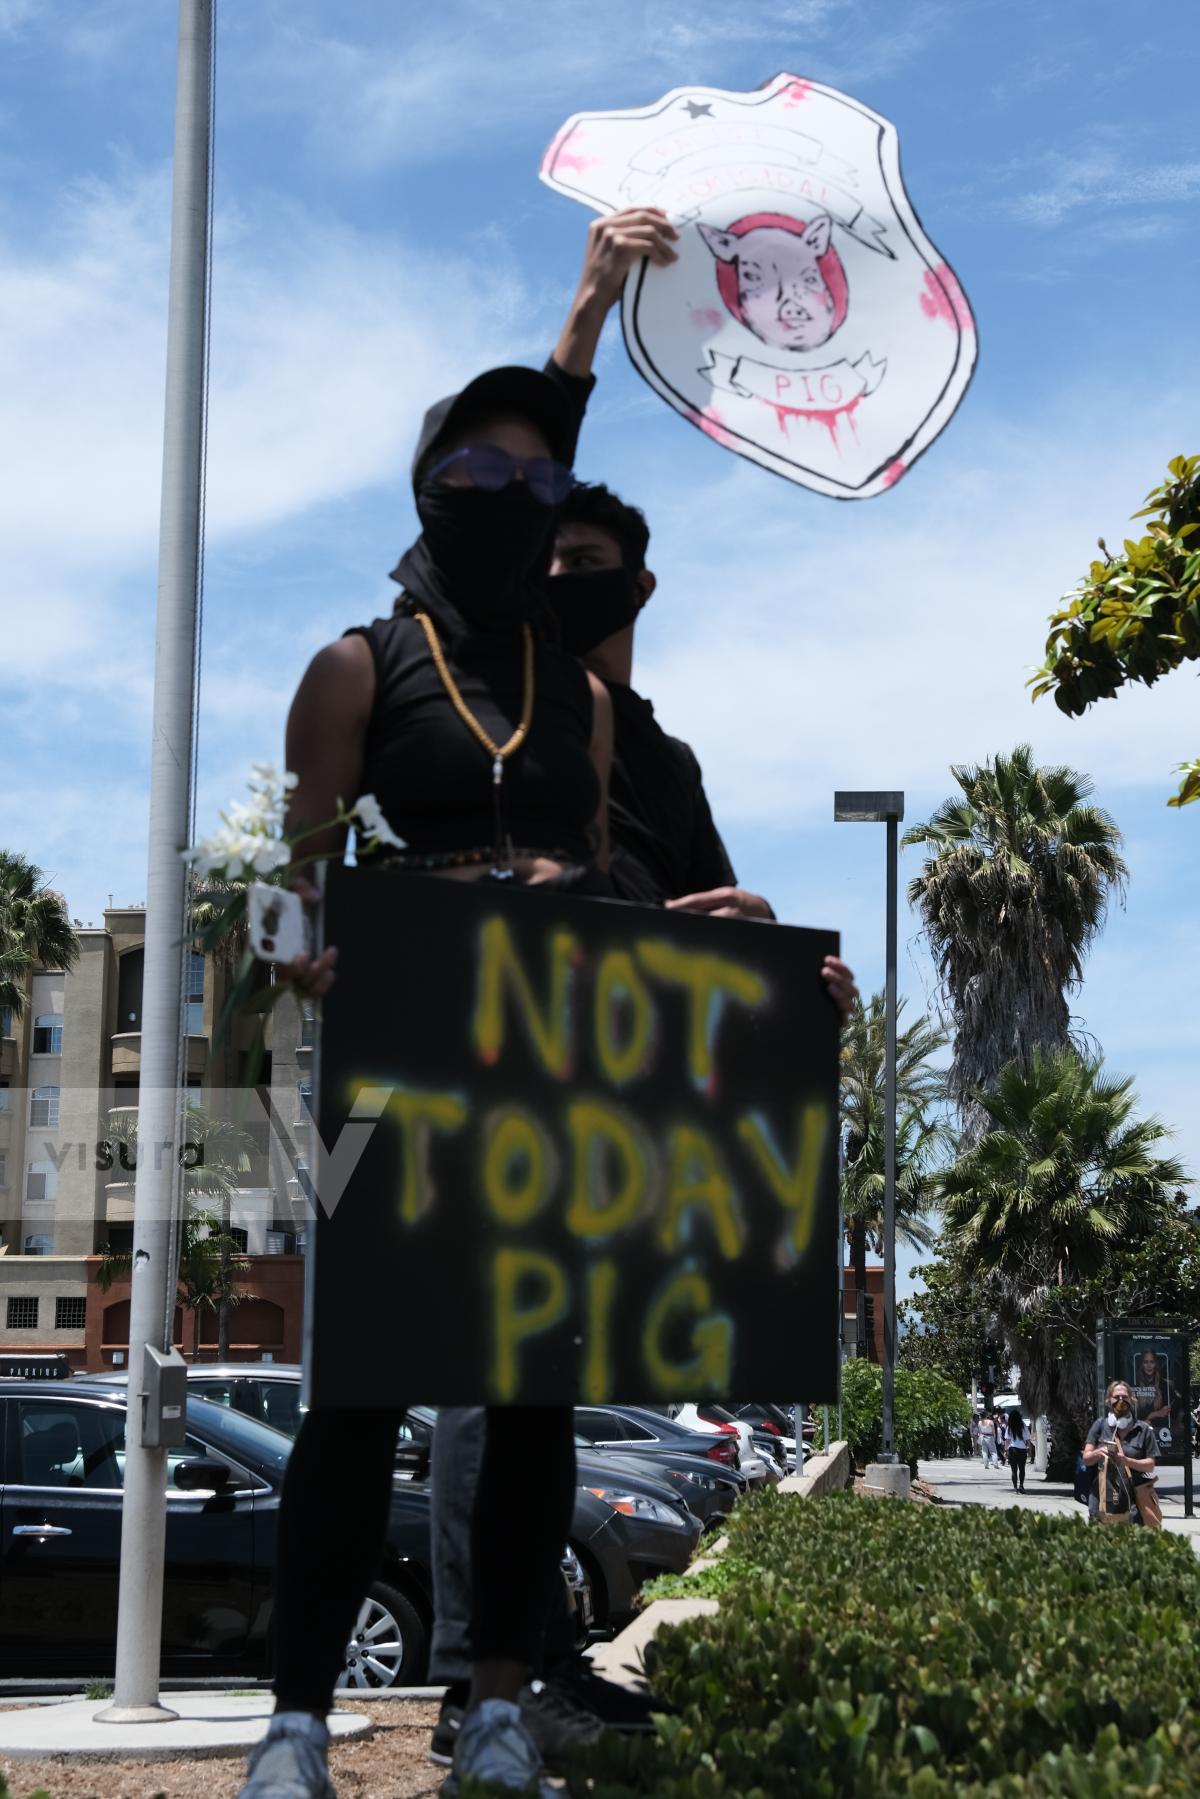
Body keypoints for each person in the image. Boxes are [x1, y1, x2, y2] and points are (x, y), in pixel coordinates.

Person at [425, 222, 856, 1775]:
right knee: (488, 1373)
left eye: (587, 568)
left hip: (616, 1097)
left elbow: (749, 943)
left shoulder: (663, 760)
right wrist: (592, 304)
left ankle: (536, 1665)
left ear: (638, 586)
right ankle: (486, 1683)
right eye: (540, 564)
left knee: (551, 1378)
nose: (559, 579)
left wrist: (800, 978)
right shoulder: (482, 696)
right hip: (491, 1072)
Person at [236, 357, 618, 1799]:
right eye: (477, 471)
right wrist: (299, 956)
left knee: (531, 1393)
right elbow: (294, 886)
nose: (507, 497)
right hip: (399, 1051)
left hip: (550, 1058)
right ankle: (296, 1720)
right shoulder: (359, 663)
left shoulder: (569, 687)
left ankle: (503, 1704)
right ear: (426, 486)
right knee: (359, 1390)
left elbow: (602, 875)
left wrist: (717, 939)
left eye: (537, 481)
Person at [1082, 1379, 1159, 1527]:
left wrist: (1126, 1461)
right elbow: (1086, 1458)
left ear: (1132, 1400)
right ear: (1108, 1401)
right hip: (1102, 1496)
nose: (1121, 1400)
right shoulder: (1100, 1426)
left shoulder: (1143, 1430)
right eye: (1116, 1397)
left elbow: (1150, 1465)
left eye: (1125, 1397)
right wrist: (1099, 1452)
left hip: (1133, 1498)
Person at [1006, 1408, 1028, 1492]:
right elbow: (1028, 1439)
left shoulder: (1009, 1426)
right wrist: (1029, 1451)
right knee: (1022, 1469)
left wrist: (1005, 1451)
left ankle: (1015, 1487)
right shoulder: (1023, 1425)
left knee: (1013, 1470)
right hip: (1022, 1449)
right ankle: (1021, 1485)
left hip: (1012, 1449)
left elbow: (1007, 1440)